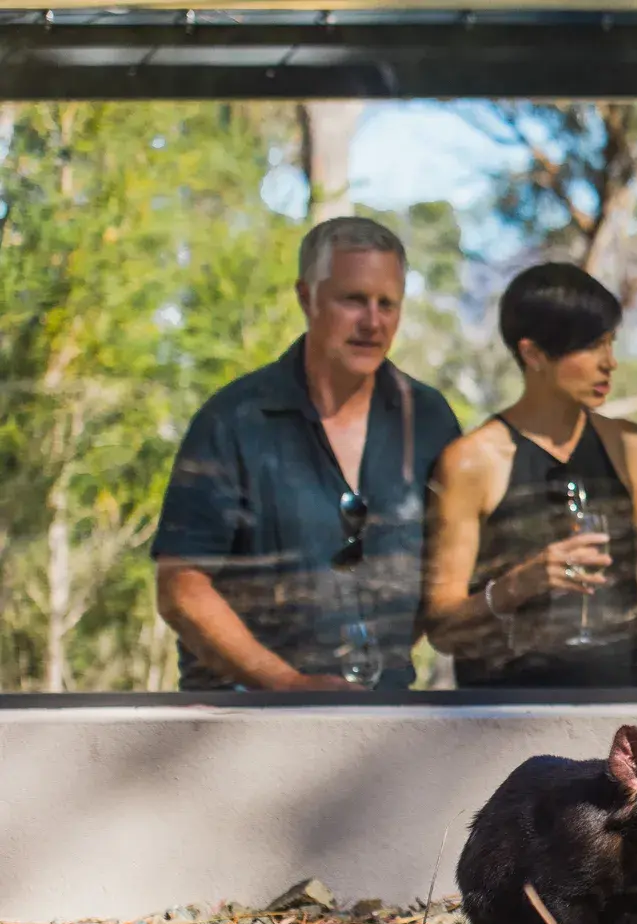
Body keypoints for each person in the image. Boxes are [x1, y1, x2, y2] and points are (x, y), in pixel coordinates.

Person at [151, 216, 463, 691]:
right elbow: (180, 587)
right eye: (353, 299)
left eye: (388, 304)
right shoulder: (233, 420)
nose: (373, 322)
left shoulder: (428, 419)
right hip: (241, 727)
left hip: (384, 719)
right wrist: (287, 683)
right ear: (306, 297)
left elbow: (448, 578)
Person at [421, 262, 637, 688]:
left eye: (611, 343)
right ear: (533, 354)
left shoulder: (630, 447)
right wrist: (519, 584)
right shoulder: (471, 462)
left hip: (615, 720)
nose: (610, 363)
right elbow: (441, 627)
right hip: (501, 724)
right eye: (591, 347)